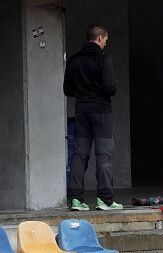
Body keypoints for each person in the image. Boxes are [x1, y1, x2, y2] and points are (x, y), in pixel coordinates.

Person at [64, 24, 121, 211]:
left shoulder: (73, 60)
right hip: (102, 112)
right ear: (99, 38)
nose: (106, 42)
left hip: (81, 110)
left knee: (79, 155)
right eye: (105, 39)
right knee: (103, 154)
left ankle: (75, 199)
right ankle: (104, 199)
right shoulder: (104, 59)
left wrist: (83, 93)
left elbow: (67, 89)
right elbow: (110, 88)